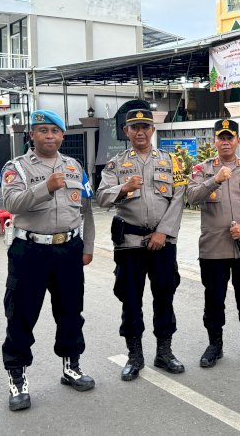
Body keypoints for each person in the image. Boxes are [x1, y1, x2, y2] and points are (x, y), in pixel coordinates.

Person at [0, 109, 95, 412]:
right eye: (43, 131)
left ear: (63, 136)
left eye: (55, 132)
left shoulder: (74, 165)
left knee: (70, 312)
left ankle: (71, 366)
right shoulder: (16, 167)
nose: (49, 136)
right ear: (32, 135)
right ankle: (17, 378)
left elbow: (86, 209)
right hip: (30, 251)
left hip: (68, 249)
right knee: (21, 315)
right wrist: (45, 188)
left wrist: (87, 245)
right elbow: (12, 202)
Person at [96, 109, 187, 381]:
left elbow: (179, 197)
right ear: (126, 131)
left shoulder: (171, 162)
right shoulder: (115, 165)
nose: (140, 132)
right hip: (129, 243)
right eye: (134, 127)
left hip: (162, 242)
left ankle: (164, 352)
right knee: (131, 300)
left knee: (164, 297)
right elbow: (101, 197)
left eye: (145, 126)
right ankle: (134, 356)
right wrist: (122, 189)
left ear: (152, 129)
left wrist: (164, 232)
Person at [187, 119, 240, 367]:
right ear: (214, 141)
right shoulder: (201, 170)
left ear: (237, 141)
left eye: (230, 137)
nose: (225, 142)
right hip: (213, 249)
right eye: (221, 138)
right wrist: (215, 180)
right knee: (214, 299)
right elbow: (191, 197)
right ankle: (215, 345)